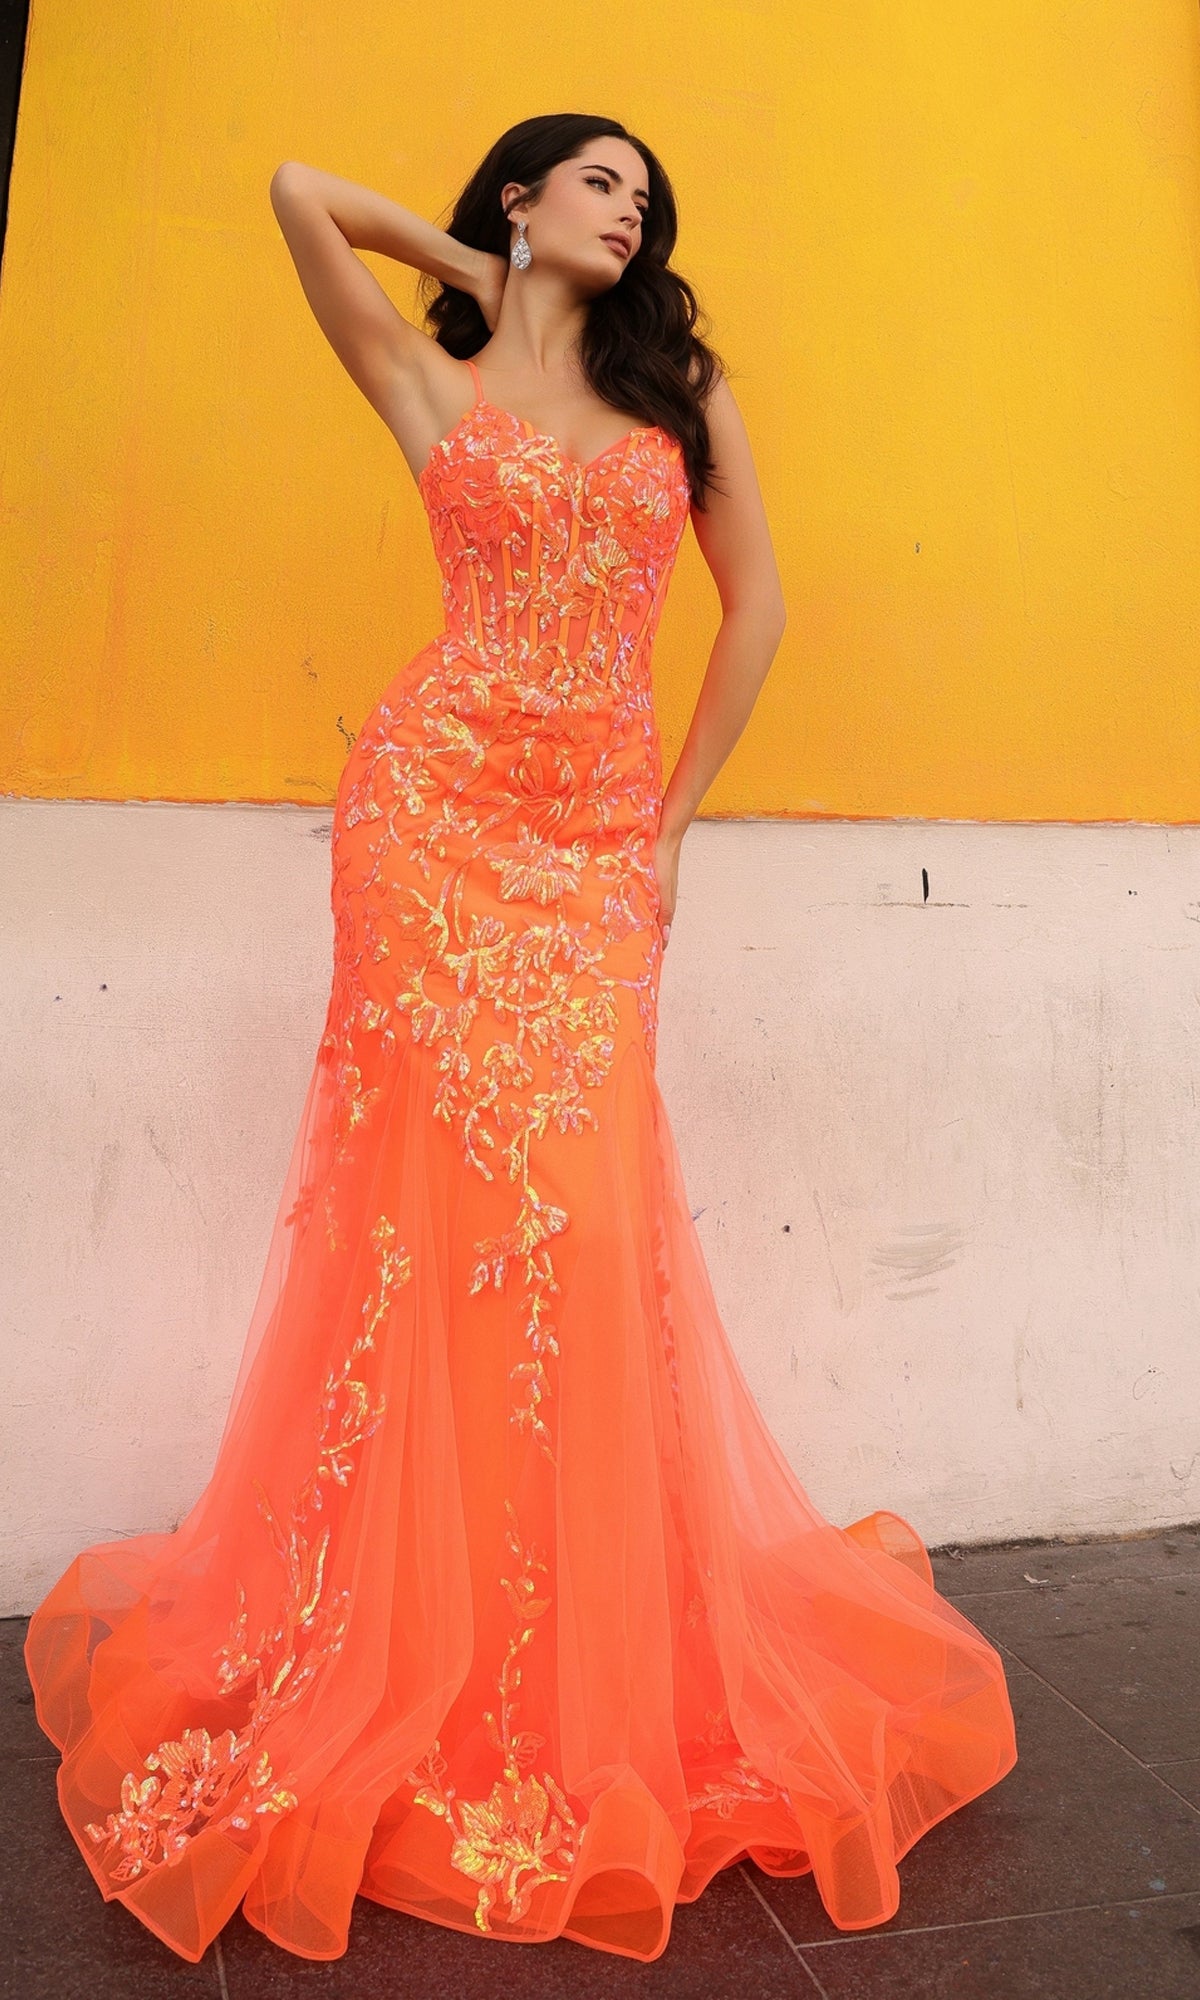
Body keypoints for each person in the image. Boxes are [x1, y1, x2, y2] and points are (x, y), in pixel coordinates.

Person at [23, 111, 1017, 1967]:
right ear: (520, 199)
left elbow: (764, 611)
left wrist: (665, 836)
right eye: (600, 180)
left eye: (648, 196)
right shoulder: (430, 378)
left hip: (580, 852)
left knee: (582, 1228)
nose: (632, 208)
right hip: (426, 823)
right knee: (423, 1229)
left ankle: (566, 1655)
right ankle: (400, 1644)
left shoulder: (682, 395)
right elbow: (297, 197)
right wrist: (480, 275)